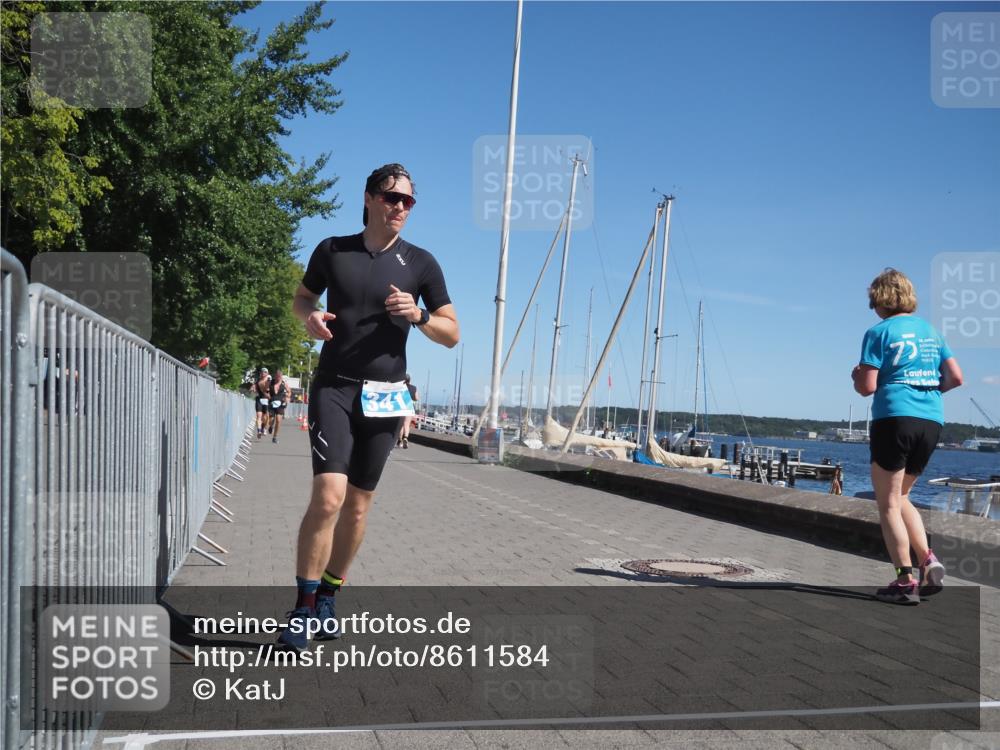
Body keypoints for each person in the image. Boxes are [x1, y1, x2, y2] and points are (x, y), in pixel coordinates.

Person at [279, 163, 459, 651]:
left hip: (386, 394)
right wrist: (309, 317)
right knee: (329, 498)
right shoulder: (332, 250)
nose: (401, 207)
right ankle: (303, 607)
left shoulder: (421, 263)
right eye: (392, 197)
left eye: (408, 201)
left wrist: (419, 315)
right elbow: (301, 298)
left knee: (357, 509)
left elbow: (451, 333)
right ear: (369, 198)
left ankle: (332, 592)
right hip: (334, 387)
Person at [852, 268, 963, 605]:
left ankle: (904, 580)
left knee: (886, 503)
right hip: (931, 420)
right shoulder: (931, 332)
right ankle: (929, 560)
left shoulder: (878, 332)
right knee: (901, 496)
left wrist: (856, 376)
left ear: (880, 301)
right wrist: (925, 391)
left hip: (894, 419)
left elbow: (867, 387)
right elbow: (956, 377)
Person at [396, 374, 418, 449]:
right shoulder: (413, 388)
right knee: (407, 424)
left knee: (401, 425)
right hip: (409, 407)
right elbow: (416, 398)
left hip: (401, 407)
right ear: (410, 380)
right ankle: (405, 437)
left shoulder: (400, 387)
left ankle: (399, 441)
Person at [268, 368, 290, 444]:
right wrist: (267, 395)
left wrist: (287, 396)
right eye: (277, 376)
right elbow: (266, 391)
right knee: (271, 421)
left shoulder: (284, 384)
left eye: (280, 376)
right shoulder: (271, 383)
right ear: (275, 376)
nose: (278, 378)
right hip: (272, 403)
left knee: (278, 420)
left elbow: (289, 392)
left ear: (281, 376)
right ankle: (271, 426)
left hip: (280, 404)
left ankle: (275, 437)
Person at [253, 367, 271, 439]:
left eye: (265, 372)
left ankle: (264, 428)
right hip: (259, 399)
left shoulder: (269, 381)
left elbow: (271, 390)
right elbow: (254, 387)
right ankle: (259, 431)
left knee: (266, 417)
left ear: (267, 373)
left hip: (266, 400)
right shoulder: (258, 381)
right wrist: (253, 388)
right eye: (262, 372)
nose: (263, 373)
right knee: (259, 415)